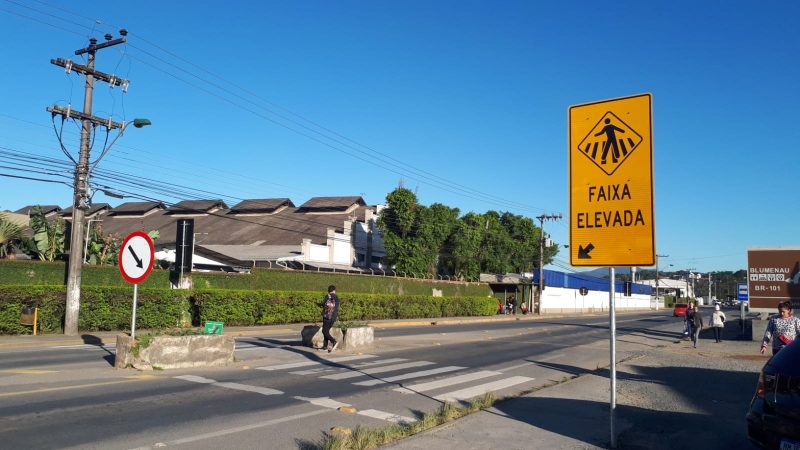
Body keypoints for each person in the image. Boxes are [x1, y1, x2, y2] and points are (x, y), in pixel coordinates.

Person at [320, 285, 340, 353]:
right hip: (333, 317)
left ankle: (333, 341)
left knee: (324, 331)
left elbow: (323, 304)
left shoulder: (327, 296)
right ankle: (325, 346)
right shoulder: (337, 297)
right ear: (334, 290)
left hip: (327, 316)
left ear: (328, 290)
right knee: (326, 331)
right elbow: (336, 307)